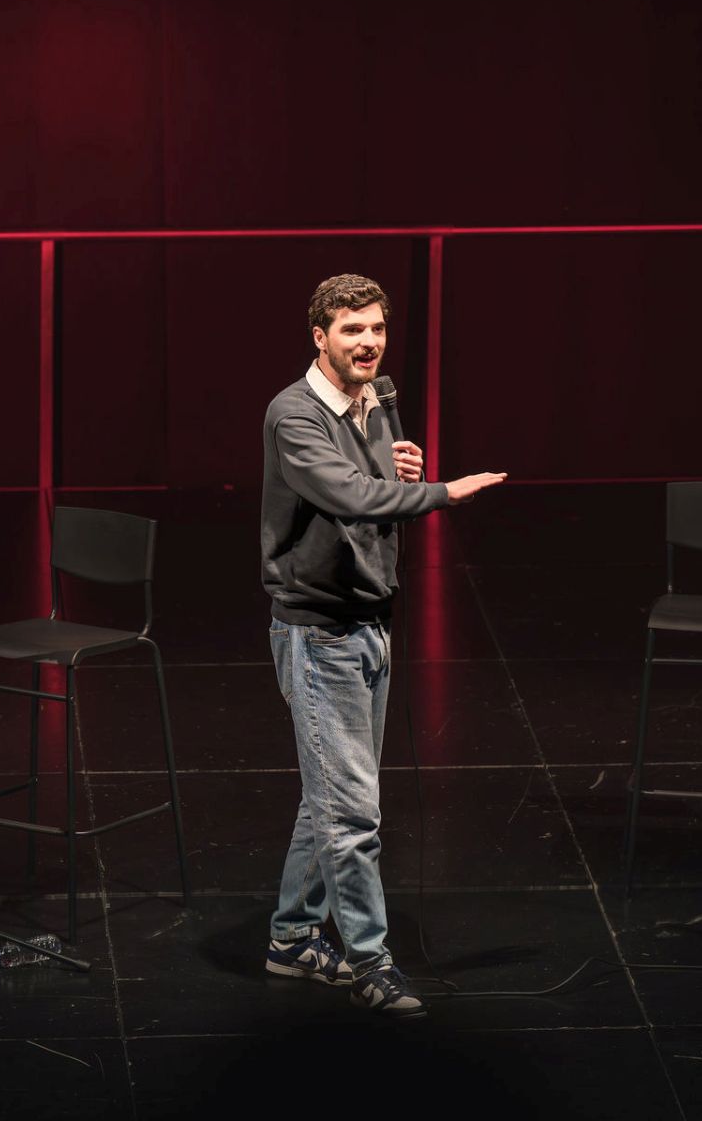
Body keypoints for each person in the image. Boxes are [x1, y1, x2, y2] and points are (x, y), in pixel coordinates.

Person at [260, 273, 506, 1018]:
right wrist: (443, 492)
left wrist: (396, 471)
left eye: (376, 329)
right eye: (351, 330)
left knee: (329, 799)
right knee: (352, 814)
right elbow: (351, 497)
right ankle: (370, 960)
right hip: (319, 630)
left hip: (370, 620)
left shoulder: (373, 401)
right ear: (320, 337)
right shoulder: (293, 414)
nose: (368, 343)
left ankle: (291, 938)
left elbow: (371, 489)